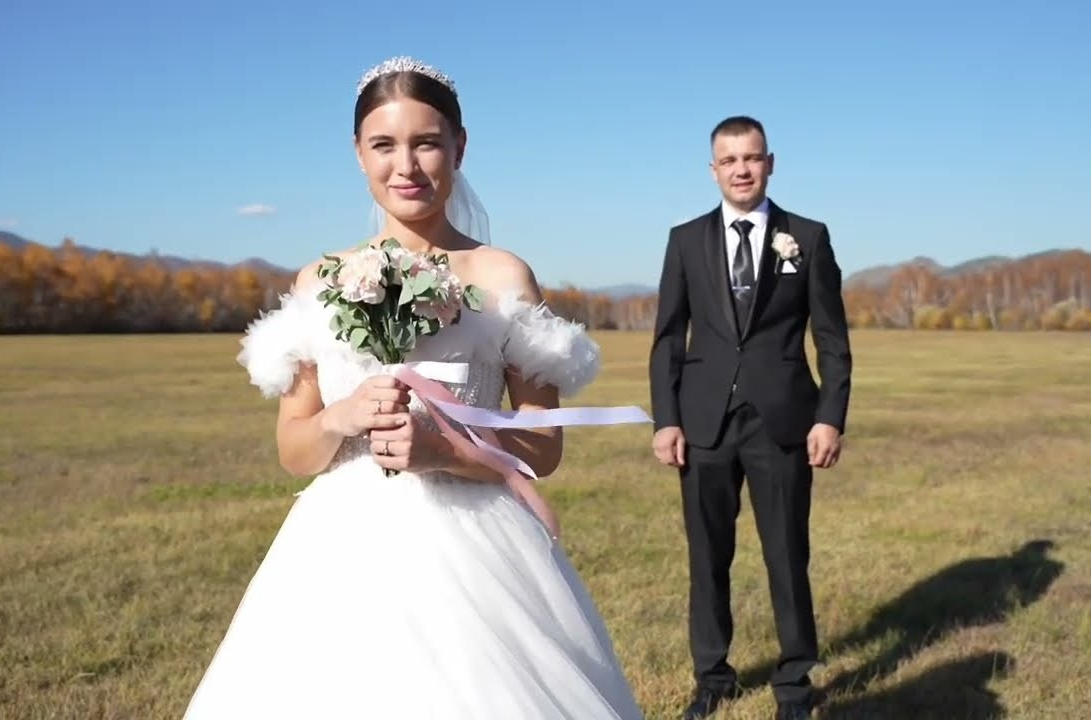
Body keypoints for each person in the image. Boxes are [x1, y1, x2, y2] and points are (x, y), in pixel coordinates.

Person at [183, 56, 643, 720]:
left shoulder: (501, 274)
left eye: (427, 142)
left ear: (459, 146)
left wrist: (445, 452)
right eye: (384, 145)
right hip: (340, 550)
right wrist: (341, 417)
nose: (407, 165)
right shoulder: (319, 280)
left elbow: (542, 447)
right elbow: (293, 450)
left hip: (477, 544)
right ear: (357, 153)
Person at [648, 115, 852, 720]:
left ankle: (795, 684)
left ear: (770, 163)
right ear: (713, 169)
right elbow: (667, 338)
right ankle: (712, 678)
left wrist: (830, 416)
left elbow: (832, 339)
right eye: (729, 160)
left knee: (788, 555)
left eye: (752, 158)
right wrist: (666, 420)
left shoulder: (807, 238)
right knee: (707, 557)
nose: (742, 169)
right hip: (703, 422)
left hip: (784, 420)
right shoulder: (685, 239)